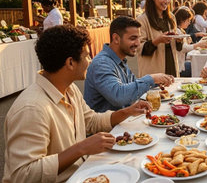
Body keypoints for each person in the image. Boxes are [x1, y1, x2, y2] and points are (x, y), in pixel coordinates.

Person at [2, 25, 152, 183]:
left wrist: (127, 112)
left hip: (82, 174)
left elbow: (91, 121)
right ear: (70, 63)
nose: (90, 61)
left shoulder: (69, 89)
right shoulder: (32, 109)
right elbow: (22, 175)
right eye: (87, 56)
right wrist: (81, 148)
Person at [84, 16, 175, 112]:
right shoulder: (102, 63)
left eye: (138, 38)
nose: (138, 43)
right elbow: (119, 96)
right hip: (108, 127)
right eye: (133, 38)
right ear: (116, 39)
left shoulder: (119, 60)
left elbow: (131, 87)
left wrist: (157, 81)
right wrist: (151, 78)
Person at [136, 0, 181, 77]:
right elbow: (139, 48)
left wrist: (179, 40)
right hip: (153, 71)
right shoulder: (142, 20)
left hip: (171, 65)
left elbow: (178, 47)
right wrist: (157, 41)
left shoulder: (171, 17)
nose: (166, 1)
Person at [175, 7, 207, 77]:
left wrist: (188, 41)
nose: (189, 23)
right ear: (182, 20)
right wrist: (198, 44)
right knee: (199, 66)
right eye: (188, 20)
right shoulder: (177, 31)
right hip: (179, 67)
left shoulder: (180, 30)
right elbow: (184, 48)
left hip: (181, 63)